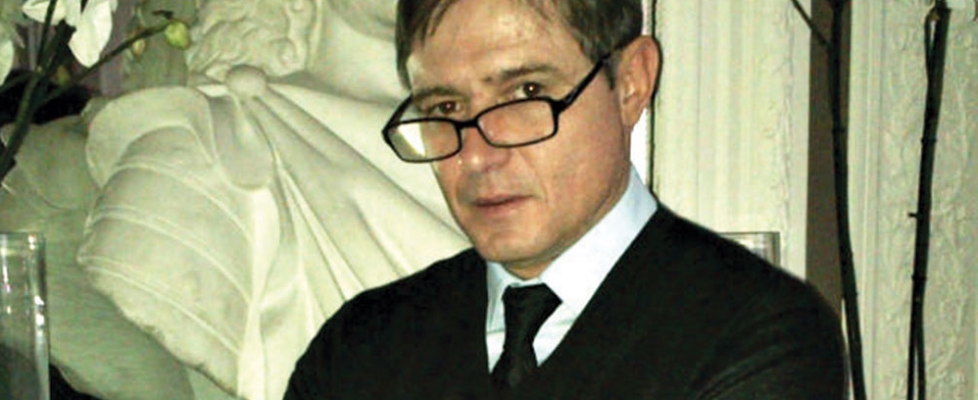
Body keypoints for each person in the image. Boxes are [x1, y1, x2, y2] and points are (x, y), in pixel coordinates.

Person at [285, 0, 845, 398]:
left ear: (631, 82)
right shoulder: (360, 347)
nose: (477, 156)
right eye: (445, 109)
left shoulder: (757, 333)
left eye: (526, 93)